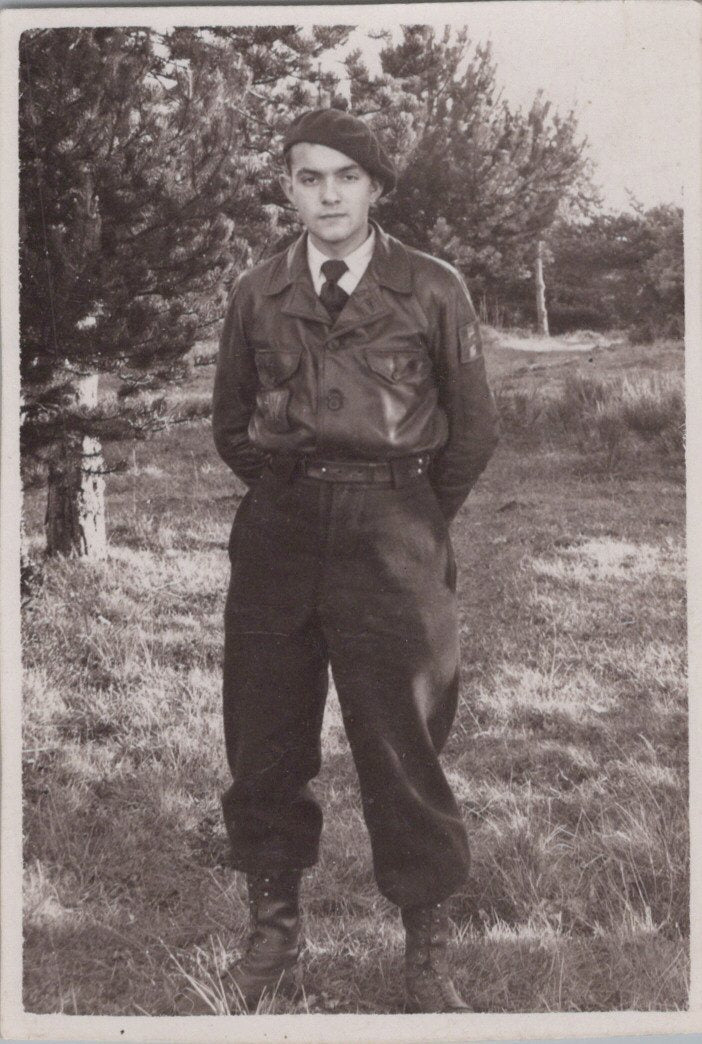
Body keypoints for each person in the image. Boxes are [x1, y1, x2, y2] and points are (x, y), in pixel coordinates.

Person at [212, 107, 500, 1013]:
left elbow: (473, 427)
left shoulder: (433, 286)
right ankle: (274, 931)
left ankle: (425, 949)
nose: (327, 194)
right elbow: (231, 424)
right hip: (280, 533)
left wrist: (411, 510)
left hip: (394, 529)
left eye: (345, 176)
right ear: (288, 187)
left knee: (402, 738)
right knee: (264, 739)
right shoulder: (258, 289)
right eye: (308, 176)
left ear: (375, 187)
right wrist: (293, 490)